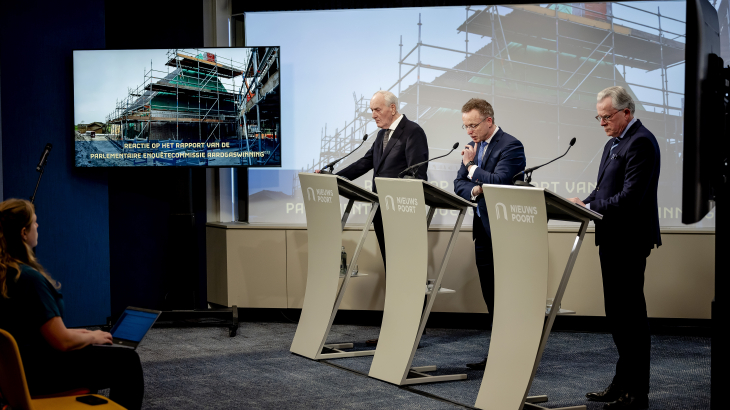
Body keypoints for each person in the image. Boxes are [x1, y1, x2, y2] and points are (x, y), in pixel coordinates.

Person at [0, 199, 144, 410]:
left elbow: (37, 330)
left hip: (16, 373)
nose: (38, 226)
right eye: (35, 222)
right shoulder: (29, 279)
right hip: (41, 374)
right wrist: (93, 336)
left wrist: (83, 335)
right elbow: (62, 342)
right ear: (24, 233)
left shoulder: (6, 275)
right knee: (127, 361)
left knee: (97, 351)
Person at [567, 86, 660, 410]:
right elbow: (603, 188)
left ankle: (637, 393)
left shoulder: (642, 142)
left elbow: (631, 197)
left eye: (607, 117)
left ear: (627, 112)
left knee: (632, 318)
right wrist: (585, 202)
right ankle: (621, 384)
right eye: (599, 117)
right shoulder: (613, 144)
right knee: (618, 316)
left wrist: (593, 209)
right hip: (611, 238)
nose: (602, 122)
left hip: (629, 239)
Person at [316, 90, 429, 346]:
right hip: (382, 212)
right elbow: (365, 163)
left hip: (403, 214)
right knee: (394, 271)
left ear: (392, 108)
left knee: (407, 272)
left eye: (377, 110)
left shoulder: (413, 131)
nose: (373, 115)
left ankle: (412, 332)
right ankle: (397, 329)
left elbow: (417, 173)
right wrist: (333, 178)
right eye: (371, 110)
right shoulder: (381, 136)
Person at [453, 98, 526, 370]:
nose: (469, 131)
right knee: (491, 294)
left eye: (473, 125)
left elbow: (500, 182)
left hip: (504, 232)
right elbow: (458, 184)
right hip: (482, 230)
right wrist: (474, 188)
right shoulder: (474, 147)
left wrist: (472, 169)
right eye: (465, 126)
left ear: (489, 121)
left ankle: (515, 354)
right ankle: (498, 353)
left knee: (507, 295)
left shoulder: (511, 145)